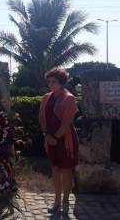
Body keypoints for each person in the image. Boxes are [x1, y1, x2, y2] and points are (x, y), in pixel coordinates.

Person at [39, 68, 79, 215]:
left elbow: (67, 122)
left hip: (64, 139)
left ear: (61, 82)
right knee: (55, 169)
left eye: (54, 82)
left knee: (66, 170)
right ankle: (57, 201)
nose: (51, 84)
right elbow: (42, 118)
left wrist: (55, 137)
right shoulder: (46, 97)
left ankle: (66, 201)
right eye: (49, 82)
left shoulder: (69, 98)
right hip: (50, 138)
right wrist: (46, 134)